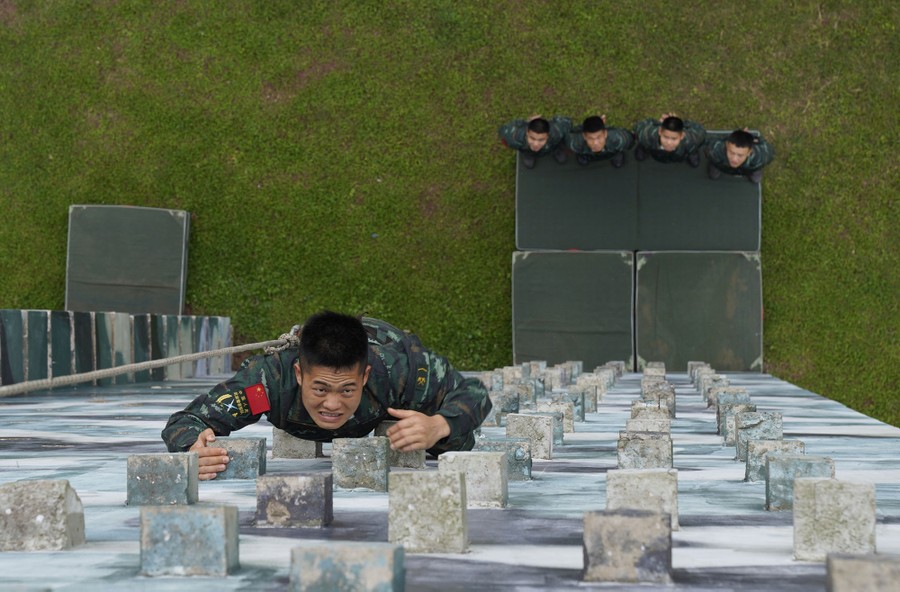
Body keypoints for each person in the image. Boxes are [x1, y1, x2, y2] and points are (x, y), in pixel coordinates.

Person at [162, 311, 492, 480]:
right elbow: (185, 420)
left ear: (364, 377)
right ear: (298, 375)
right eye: (320, 389)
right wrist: (192, 444)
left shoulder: (399, 370)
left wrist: (438, 425)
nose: (332, 405)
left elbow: (475, 393)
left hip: (382, 346)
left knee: (454, 443)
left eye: (346, 390)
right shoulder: (269, 382)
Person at [498, 114, 572, 169]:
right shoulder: (513, 137)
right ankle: (529, 155)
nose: (536, 144)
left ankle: (556, 151)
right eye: (532, 138)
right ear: (527, 133)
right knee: (528, 153)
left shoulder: (558, 132)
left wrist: (547, 121)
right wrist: (526, 122)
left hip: (552, 145)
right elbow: (503, 131)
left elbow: (567, 122)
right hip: (526, 149)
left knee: (556, 146)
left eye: (541, 139)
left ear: (548, 135)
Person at [633, 113, 706, 167]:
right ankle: (643, 149)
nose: (669, 143)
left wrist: (682, 123)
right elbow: (638, 126)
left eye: (674, 139)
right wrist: (657, 123)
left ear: (682, 136)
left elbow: (700, 130)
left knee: (691, 148)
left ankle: (691, 153)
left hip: (682, 153)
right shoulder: (647, 134)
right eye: (665, 137)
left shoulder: (692, 139)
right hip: (653, 149)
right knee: (644, 143)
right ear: (659, 131)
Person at [706, 128, 775, 184]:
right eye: (731, 153)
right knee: (713, 175)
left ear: (749, 152)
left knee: (756, 180)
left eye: (740, 155)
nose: (734, 159)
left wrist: (754, 138)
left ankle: (754, 170)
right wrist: (728, 137)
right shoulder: (714, 151)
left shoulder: (760, 158)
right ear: (726, 145)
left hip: (750, 167)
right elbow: (714, 139)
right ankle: (716, 166)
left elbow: (767, 146)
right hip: (720, 165)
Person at [565, 115, 634, 168]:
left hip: (612, 151)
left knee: (616, 152)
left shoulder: (620, 139)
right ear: (584, 136)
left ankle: (616, 155)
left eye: (599, 137)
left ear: (605, 134)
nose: (595, 143)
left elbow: (630, 141)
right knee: (582, 156)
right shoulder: (574, 143)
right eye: (591, 138)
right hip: (587, 153)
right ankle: (584, 157)